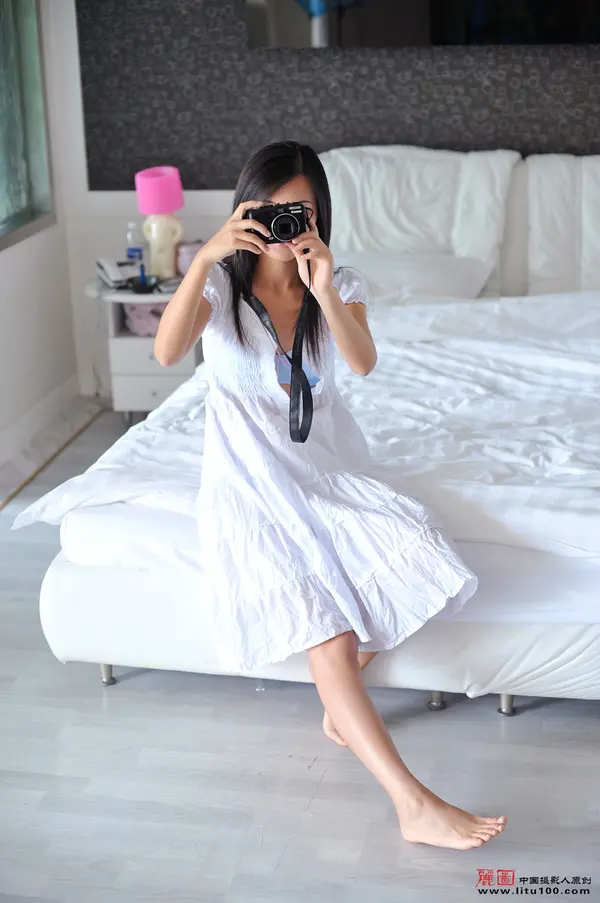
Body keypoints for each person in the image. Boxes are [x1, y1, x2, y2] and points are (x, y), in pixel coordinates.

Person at [154, 140, 506, 850]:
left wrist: (319, 287)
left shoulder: (339, 282)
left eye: (300, 212)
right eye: (270, 211)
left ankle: (340, 705)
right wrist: (203, 257)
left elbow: (362, 362)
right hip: (251, 485)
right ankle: (412, 803)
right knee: (333, 633)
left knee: (421, 551)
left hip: (324, 471)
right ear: (244, 211)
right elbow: (165, 353)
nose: (285, 225)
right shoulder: (221, 286)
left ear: (319, 215)